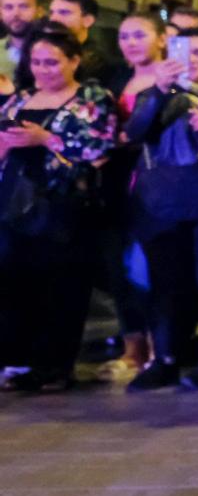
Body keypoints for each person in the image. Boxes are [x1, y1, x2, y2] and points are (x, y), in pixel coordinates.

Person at [124, 27, 198, 392]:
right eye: (183, 52)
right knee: (165, 284)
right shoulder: (159, 93)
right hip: (163, 202)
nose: (191, 60)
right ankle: (165, 359)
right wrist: (160, 91)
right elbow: (136, 130)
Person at [0, 27, 117, 391]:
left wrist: (47, 139)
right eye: (36, 62)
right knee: (17, 283)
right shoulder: (18, 100)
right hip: (15, 202)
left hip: (65, 203)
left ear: (74, 61)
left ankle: (56, 366)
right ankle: (20, 363)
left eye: (52, 62)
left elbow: (99, 149)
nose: (43, 69)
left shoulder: (92, 98)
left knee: (63, 286)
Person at [100, 13, 169, 377]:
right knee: (118, 266)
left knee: (151, 265)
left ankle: (163, 345)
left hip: (156, 180)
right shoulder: (115, 78)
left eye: (139, 35)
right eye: (124, 36)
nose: (130, 42)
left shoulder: (171, 79)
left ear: (161, 39)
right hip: (115, 179)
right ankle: (133, 346)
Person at [0, 0, 39, 91]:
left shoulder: (55, 51)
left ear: (39, 11)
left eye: (24, 6)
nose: (16, 13)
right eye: (8, 7)